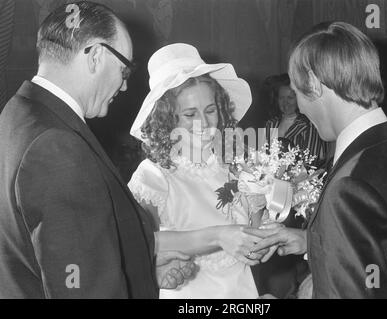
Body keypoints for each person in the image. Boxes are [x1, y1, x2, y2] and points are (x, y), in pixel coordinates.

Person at [0, 1, 195, 298]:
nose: (125, 87)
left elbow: (46, 256)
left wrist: (137, 268)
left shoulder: (15, 116)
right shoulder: (58, 147)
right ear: (96, 56)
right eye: (125, 70)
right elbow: (79, 286)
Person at [247, 21, 387, 298]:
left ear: (314, 83)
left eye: (296, 91)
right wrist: (314, 241)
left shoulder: (350, 187)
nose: (300, 107)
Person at [128, 43, 269, 299]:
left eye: (210, 110)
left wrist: (261, 238)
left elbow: (255, 236)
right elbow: (136, 245)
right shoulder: (154, 176)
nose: (204, 124)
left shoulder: (235, 163)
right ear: (167, 118)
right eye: (190, 114)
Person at [265, 73, 331, 168]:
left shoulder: (310, 126)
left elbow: (310, 163)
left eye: (290, 98)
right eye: (281, 98)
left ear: (299, 99)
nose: (285, 103)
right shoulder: (270, 124)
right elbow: (262, 157)